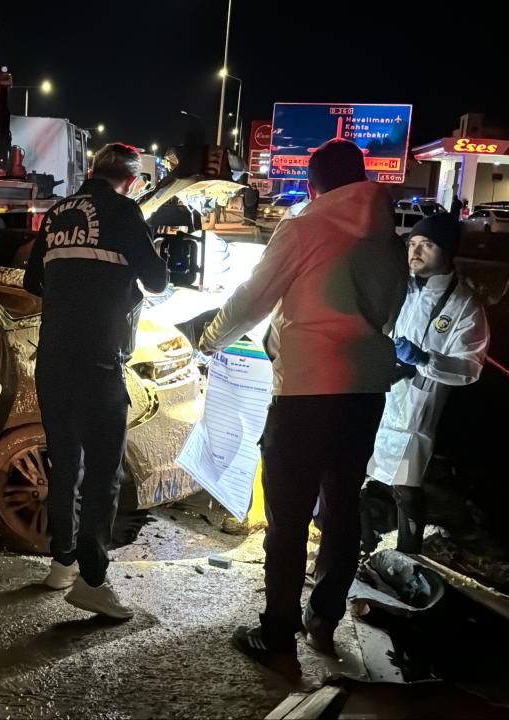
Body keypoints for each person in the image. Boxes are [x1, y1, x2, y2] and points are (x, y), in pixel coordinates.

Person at [198, 139, 407, 674]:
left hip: (308, 391)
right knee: (341, 508)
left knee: (287, 517)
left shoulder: (304, 227)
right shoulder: (387, 236)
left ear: (312, 185)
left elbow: (253, 297)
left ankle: (276, 634)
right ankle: (324, 617)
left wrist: (212, 339)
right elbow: (390, 307)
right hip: (365, 392)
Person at [23, 143, 168, 620]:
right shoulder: (124, 212)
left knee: (66, 466)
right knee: (105, 474)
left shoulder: (58, 211)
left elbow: (32, 282)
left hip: (53, 361)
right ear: (131, 180)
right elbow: (159, 280)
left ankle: (61, 564)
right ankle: (92, 580)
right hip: (100, 362)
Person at [366, 207, 490, 553]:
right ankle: (363, 541)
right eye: (413, 243)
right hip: (383, 393)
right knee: (364, 474)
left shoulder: (464, 305)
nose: (415, 252)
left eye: (427, 245)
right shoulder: (404, 288)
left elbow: (470, 366)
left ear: (448, 252)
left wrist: (424, 359)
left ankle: (408, 554)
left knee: (406, 486)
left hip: (417, 411)